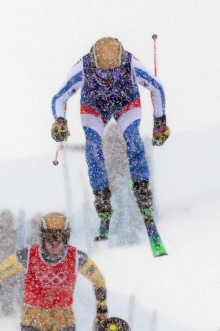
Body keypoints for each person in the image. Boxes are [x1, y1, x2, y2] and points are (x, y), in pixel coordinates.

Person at [50, 37, 170, 250]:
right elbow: (59, 97)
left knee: (133, 140)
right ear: (94, 65)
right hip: (95, 106)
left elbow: (157, 87)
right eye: (103, 74)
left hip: (126, 101)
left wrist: (160, 121)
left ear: (121, 63)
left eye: (114, 73)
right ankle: (102, 198)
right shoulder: (83, 68)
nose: (109, 79)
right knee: (93, 147)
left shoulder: (131, 64)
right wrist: (59, 121)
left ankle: (143, 191)